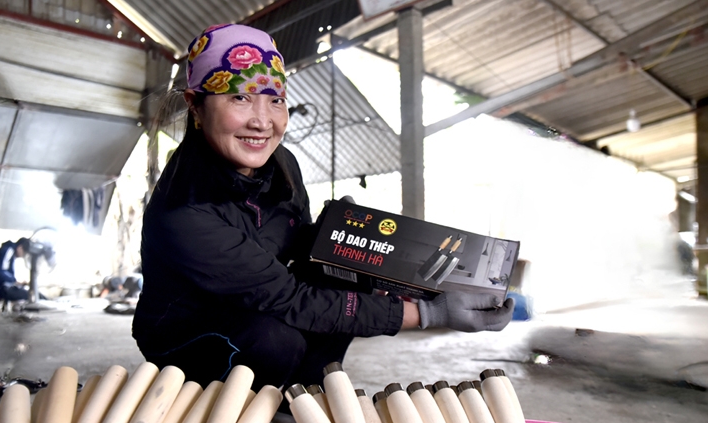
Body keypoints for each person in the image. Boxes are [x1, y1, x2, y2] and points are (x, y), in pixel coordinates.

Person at [132, 24, 514, 395]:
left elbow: (296, 246)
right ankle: (234, 409)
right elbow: (292, 299)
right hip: (185, 336)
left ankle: (307, 386)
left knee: (349, 260)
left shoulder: (282, 164)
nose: (262, 121)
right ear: (195, 105)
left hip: (255, 301)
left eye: (275, 99)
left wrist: (340, 233)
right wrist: (430, 315)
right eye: (240, 97)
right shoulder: (185, 212)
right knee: (276, 341)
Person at [0, 237, 32, 301]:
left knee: (29, 293)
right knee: (32, 295)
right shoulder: (8, 251)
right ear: (20, 248)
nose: (23, 256)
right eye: (24, 253)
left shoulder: (9, 251)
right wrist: (14, 281)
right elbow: (0, 273)